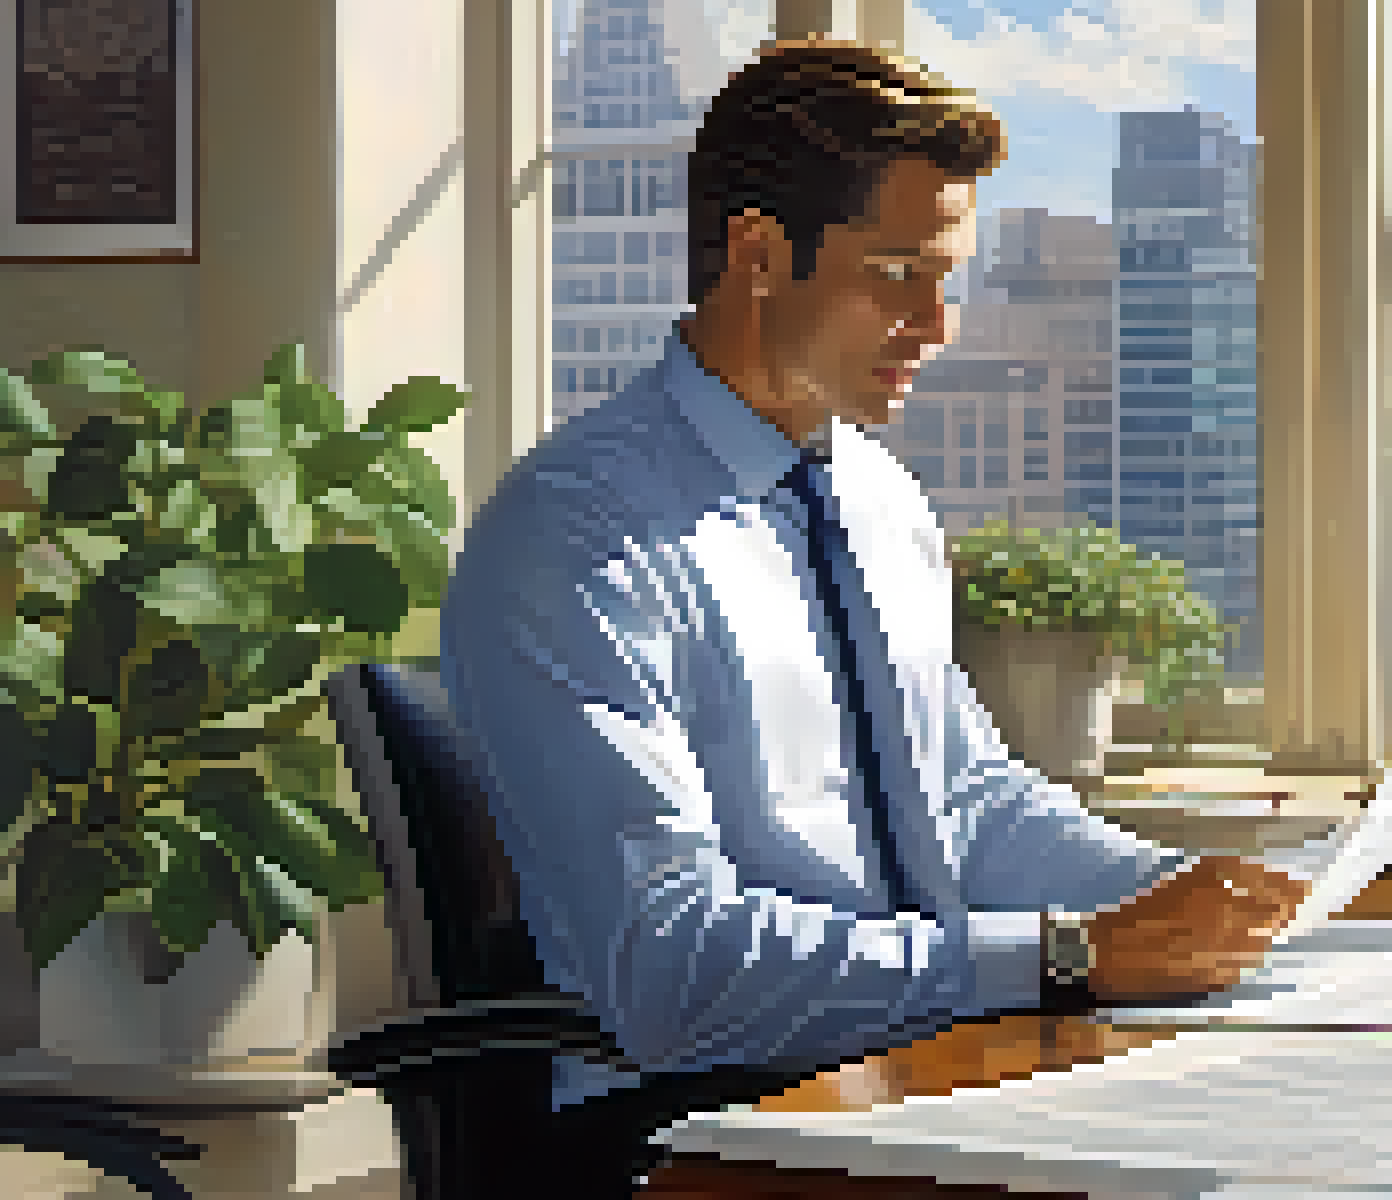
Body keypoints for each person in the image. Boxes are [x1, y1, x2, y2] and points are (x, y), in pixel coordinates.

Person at [440, 38, 1305, 1113]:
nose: (938, 330)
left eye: (949, 282)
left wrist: (1193, 903)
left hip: (925, 1073)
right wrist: (1068, 956)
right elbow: (670, 967)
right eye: (900, 277)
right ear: (757, 253)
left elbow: (971, 805)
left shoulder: (882, 499)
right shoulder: (577, 538)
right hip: (704, 1119)